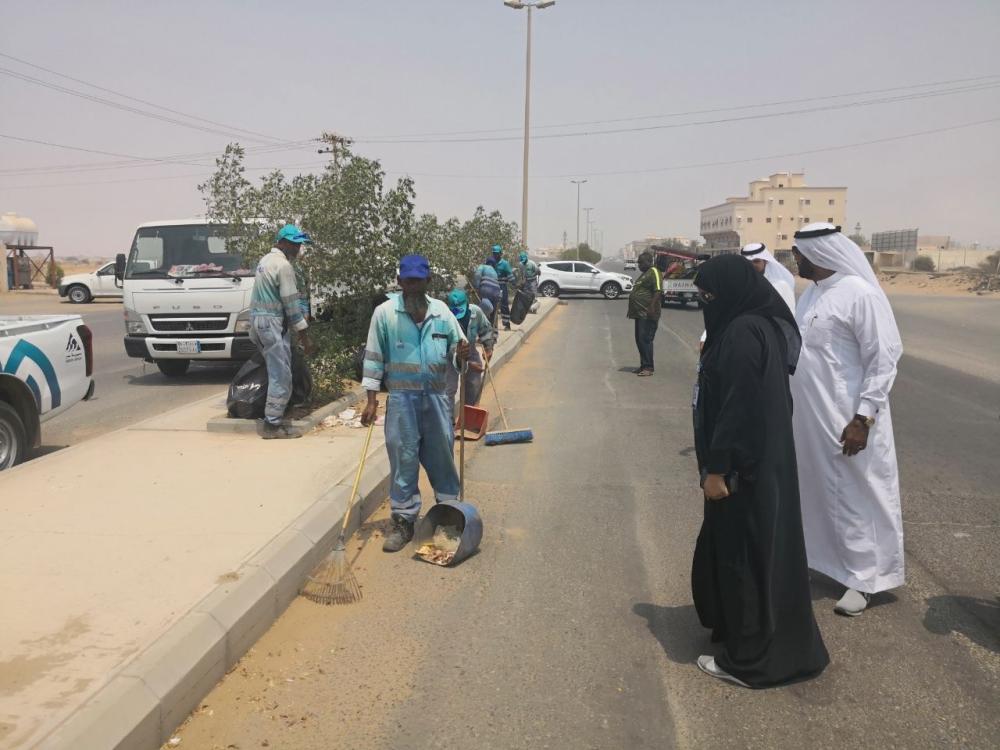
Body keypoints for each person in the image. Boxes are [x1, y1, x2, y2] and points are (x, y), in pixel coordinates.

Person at [691, 254, 829, 688]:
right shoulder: (756, 325)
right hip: (760, 462)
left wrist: (718, 469)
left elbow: (739, 408)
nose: (705, 303)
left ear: (729, 293)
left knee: (745, 559)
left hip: (742, 470)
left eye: (708, 296)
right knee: (754, 553)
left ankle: (750, 662)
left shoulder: (742, 333)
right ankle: (748, 635)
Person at [790, 223, 904, 617]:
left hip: (849, 418)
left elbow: (884, 357)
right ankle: (827, 562)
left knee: (857, 495)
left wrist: (863, 418)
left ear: (820, 252)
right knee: (819, 491)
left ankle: (868, 579)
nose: (796, 260)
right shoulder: (812, 294)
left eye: (799, 253)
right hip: (812, 418)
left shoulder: (860, 294)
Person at [360, 255, 470, 552]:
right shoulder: (385, 314)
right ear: (400, 282)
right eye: (408, 282)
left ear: (427, 282)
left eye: (418, 282)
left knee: (442, 457)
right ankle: (403, 521)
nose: (412, 287)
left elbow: (458, 350)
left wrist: (462, 354)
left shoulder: (442, 312)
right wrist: (371, 400)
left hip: (436, 399)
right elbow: (373, 358)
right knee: (403, 459)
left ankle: (449, 515)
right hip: (401, 401)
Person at [249, 224, 316, 439]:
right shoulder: (283, 266)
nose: (298, 249)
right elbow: (291, 306)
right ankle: (272, 424)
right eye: (295, 245)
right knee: (281, 375)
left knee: (277, 371)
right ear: (284, 243)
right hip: (272, 324)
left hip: (260, 323)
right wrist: (305, 337)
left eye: (299, 245)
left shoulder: (264, 261)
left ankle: (275, 416)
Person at [444, 288, 496, 419]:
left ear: (467, 304)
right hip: (449, 353)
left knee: (473, 383)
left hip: (470, 348)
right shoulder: (444, 318)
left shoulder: (476, 312)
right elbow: (446, 347)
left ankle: (469, 418)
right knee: (448, 389)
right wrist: (468, 364)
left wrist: (488, 348)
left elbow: (486, 330)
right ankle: (447, 422)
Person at [626, 251, 662, 376]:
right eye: (638, 262)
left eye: (641, 262)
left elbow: (658, 290)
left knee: (646, 340)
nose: (639, 265)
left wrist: (651, 306)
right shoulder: (645, 274)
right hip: (640, 314)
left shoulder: (654, 271)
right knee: (640, 340)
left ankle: (648, 367)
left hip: (648, 313)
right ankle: (643, 365)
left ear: (649, 261)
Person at [740, 242, 796, 312]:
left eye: (756, 261)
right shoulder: (740, 285)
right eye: (747, 262)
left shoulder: (780, 286)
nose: (751, 265)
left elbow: (789, 313)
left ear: (765, 261)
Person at [473, 254, 502, 323]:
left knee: (484, 307)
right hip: (497, 291)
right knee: (493, 310)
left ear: (487, 262)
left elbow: (477, 275)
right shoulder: (495, 272)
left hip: (486, 289)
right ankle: (493, 326)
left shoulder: (482, 266)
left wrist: (476, 286)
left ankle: (482, 323)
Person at [493, 244, 514, 330]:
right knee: (493, 306)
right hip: (493, 286)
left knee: (504, 305)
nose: (495, 255)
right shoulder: (491, 263)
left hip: (502, 286)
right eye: (494, 253)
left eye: (497, 253)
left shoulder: (505, 264)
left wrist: (515, 284)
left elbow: (510, 275)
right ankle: (492, 325)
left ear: (500, 253)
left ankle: (507, 324)